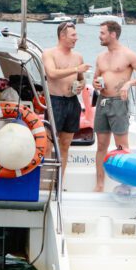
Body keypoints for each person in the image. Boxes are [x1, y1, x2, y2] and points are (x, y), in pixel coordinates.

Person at [93, 20, 136, 192]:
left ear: (113, 34)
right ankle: (99, 184)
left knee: (122, 146)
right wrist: (96, 84)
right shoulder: (100, 56)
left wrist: (129, 83)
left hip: (119, 103)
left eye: (102, 32)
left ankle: (125, 184)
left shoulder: (128, 55)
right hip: (102, 102)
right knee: (101, 145)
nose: (100, 36)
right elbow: (96, 77)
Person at [42, 21, 91, 182]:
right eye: (73, 35)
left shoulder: (78, 57)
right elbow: (52, 74)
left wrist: (80, 85)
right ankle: (46, 181)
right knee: (48, 144)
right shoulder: (49, 53)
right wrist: (77, 69)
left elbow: (82, 80)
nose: (76, 39)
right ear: (62, 36)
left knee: (65, 144)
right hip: (55, 101)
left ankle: (58, 182)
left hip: (72, 102)